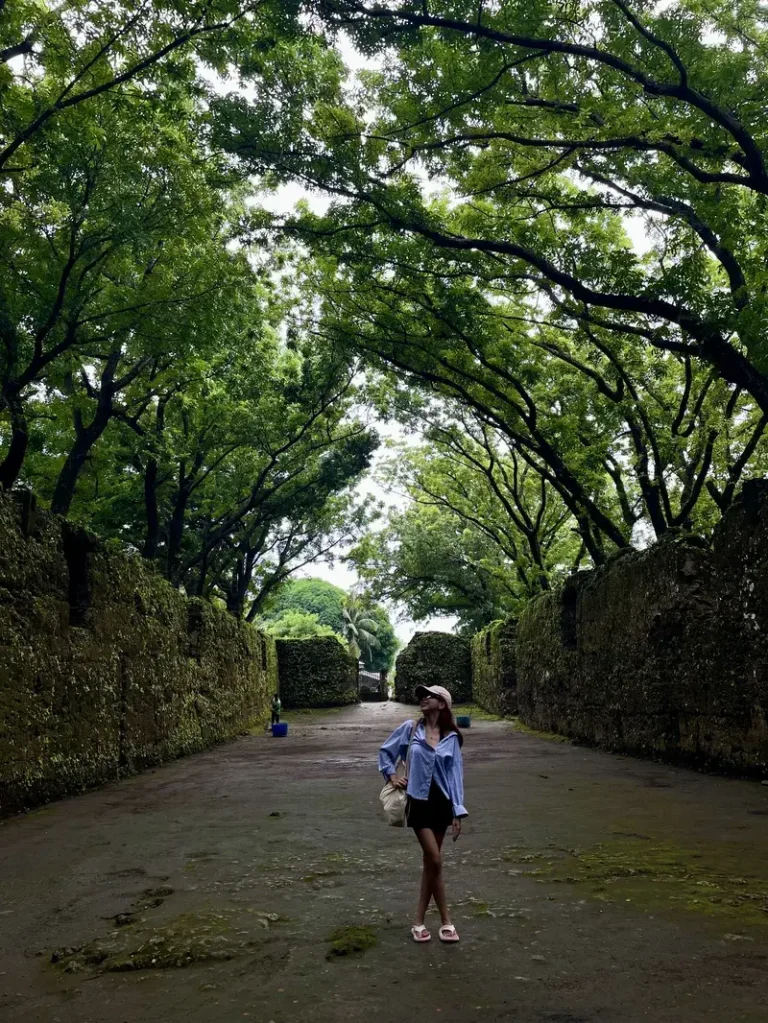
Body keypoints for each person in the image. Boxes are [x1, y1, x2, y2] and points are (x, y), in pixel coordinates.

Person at [378, 684, 467, 943]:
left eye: (430, 696)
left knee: (431, 863)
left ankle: (419, 922)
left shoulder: (452, 738)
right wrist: (392, 774)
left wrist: (457, 812)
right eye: (422, 696)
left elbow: (455, 776)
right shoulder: (410, 729)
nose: (424, 699)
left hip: (442, 803)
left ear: (443, 704)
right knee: (435, 859)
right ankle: (446, 920)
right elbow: (386, 752)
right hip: (418, 801)